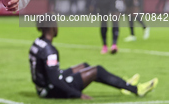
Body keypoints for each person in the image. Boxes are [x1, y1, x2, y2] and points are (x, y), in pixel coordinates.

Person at [29, 22, 158, 99]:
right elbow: (55, 80)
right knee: (97, 70)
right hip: (51, 90)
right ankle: (136, 90)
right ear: (51, 27)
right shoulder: (50, 51)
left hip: (43, 87)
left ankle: (123, 84)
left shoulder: (37, 43)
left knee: (85, 66)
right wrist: (77, 94)